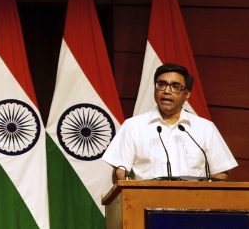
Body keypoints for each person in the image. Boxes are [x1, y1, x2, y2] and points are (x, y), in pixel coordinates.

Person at [101, 63, 237, 182]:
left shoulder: (205, 128)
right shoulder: (133, 126)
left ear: (187, 94)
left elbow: (221, 172)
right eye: (162, 84)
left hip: (194, 207)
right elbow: (120, 171)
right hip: (146, 206)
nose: (167, 91)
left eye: (175, 86)